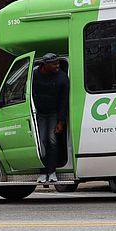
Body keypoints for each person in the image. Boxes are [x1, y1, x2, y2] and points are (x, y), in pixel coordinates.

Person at [31, 53, 69, 185]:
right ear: (45, 65)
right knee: (41, 142)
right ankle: (42, 172)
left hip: (54, 113)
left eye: (58, 63)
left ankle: (52, 172)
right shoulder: (34, 75)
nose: (58, 66)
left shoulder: (62, 77)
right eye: (54, 64)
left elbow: (64, 101)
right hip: (39, 113)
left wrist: (61, 121)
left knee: (52, 141)